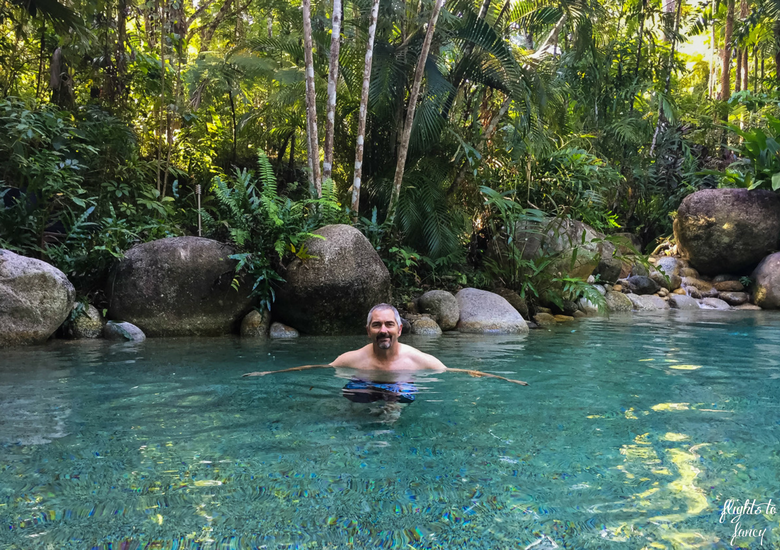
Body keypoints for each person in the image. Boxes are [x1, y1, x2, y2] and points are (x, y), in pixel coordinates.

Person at [243, 304, 528, 405]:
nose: (383, 330)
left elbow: (455, 372)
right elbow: (318, 367)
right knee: (348, 398)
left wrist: (502, 378)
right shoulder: (352, 358)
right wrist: (269, 372)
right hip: (363, 385)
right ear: (368, 330)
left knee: (394, 399)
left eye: (388, 324)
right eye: (377, 325)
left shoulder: (417, 360)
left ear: (399, 330)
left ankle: (386, 428)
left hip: (399, 388)